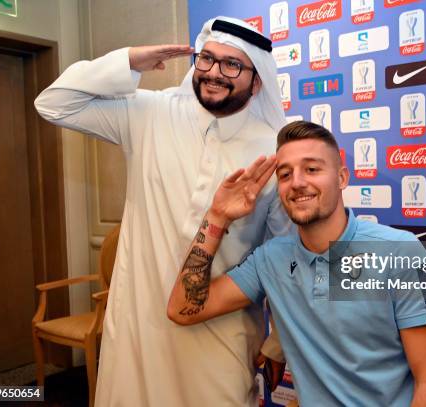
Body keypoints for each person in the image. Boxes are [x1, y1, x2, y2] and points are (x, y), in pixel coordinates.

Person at [34, 16, 292, 407]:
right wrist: (130, 61)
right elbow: (53, 103)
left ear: (257, 81)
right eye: (206, 59)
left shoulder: (274, 149)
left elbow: (289, 252)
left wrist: (279, 340)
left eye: (232, 64)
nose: (214, 73)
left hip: (221, 336)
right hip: (139, 331)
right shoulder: (150, 114)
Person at [168, 121, 426, 406]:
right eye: (285, 174)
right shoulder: (271, 259)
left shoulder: (402, 251)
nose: (297, 182)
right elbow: (182, 309)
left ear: (342, 178)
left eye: (312, 169)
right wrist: (218, 216)